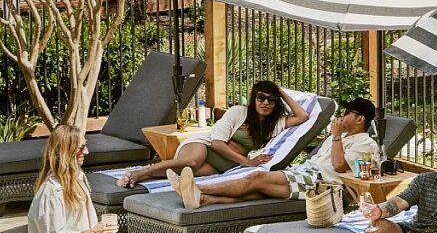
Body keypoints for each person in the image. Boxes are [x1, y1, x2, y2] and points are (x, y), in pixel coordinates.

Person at [169, 97, 378, 210]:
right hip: (307, 172)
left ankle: (195, 187)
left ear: (360, 119)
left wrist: (335, 136)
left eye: (347, 113)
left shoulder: (365, 143)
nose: (342, 116)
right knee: (260, 189)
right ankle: (203, 200)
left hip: (322, 184)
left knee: (257, 177)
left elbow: (340, 166)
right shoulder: (343, 137)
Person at [116, 81, 310, 188]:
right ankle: (139, 172)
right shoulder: (238, 112)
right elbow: (217, 143)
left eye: (271, 99)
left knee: (183, 174)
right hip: (205, 147)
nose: (266, 103)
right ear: (254, 99)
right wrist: (247, 162)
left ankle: (141, 179)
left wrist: (282, 93)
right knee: (190, 163)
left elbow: (302, 115)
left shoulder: (275, 124)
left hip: (222, 165)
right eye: (261, 97)